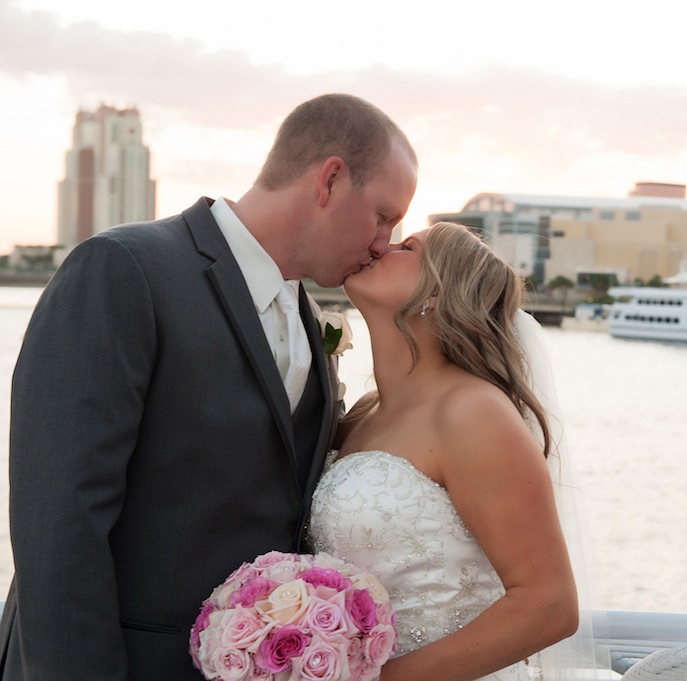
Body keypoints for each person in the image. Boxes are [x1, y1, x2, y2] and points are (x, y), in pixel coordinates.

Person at [0, 93, 418, 681]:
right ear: (329, 180)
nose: (384, 242)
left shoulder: (310, 322)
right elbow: (59, 521)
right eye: (383, 216)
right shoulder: (124, 270)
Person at [308, 221, 580, 681]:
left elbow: (549, 605)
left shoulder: (473, 413)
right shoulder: (361, 413)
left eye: (407, 246)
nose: (382, 244)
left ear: (436, 294)